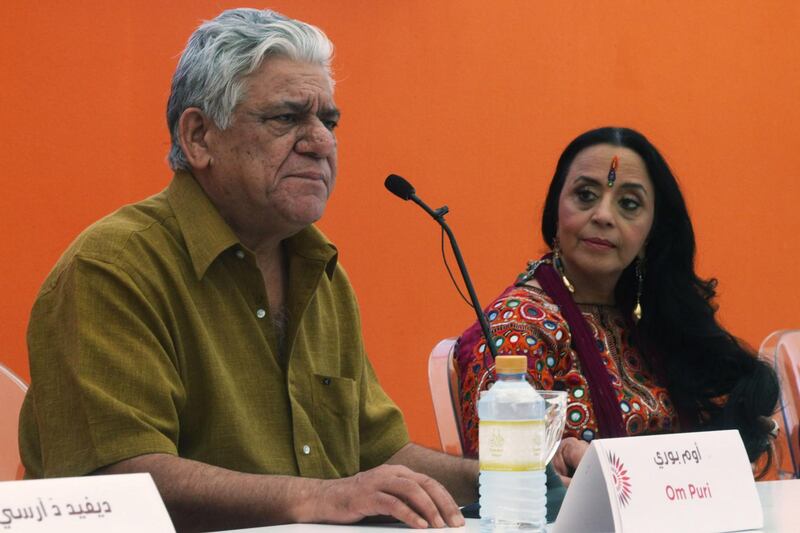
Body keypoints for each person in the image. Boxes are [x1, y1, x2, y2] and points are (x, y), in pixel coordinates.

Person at [18, 9, 481, 531]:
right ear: (198, 137)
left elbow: (379, 455)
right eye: (287, 118)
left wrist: (516, 476)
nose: (321, 142)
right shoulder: (112, 270)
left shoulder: (320, 271)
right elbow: (119, 483)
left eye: (329, 121)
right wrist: (317, 498)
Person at [454, 127, 780, 481]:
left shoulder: (648, 318)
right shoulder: (519, 325)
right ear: (555, 214)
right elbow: (507, 476)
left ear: (649, 235)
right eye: (585, 195)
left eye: (629, 204)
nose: (604, 215)